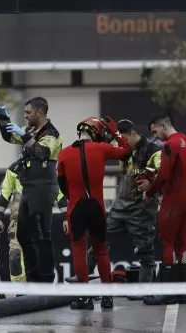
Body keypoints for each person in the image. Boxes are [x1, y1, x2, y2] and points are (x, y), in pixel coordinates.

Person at [64, 120, 161, 300]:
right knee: (99, 243)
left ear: (133, 134)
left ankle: (145, 290)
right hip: (120, 206)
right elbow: (108, 151)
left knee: (145, 251)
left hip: (142, 209)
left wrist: (152, 186)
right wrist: (111, 136)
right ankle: (82, 278)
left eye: (124, 139)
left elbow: (163, 175)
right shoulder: (125, 151)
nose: (121, 143)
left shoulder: (153, 151)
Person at [57, 116, 131, 310]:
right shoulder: (101, 149)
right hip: (97, 207)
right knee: (101, 251)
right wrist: (115, 132)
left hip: (76, 207)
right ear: (96, 133)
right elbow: (127, 151)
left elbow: (62, 185)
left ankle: (84, 299)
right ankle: (107, 298)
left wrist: (72, 200)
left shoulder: (64, 154)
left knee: (79, 253)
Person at [0, 97, 63, 283]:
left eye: (28, 113)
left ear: (40, 113)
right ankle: (33, 277)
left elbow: (41, 152)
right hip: (28, 188)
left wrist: (24, 136)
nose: (25, 117)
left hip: (43, 188)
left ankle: (46, 279)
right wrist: (3, 120)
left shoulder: (51, 134)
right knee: (22, 235)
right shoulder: (30, 130)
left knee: (42, 236)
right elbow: (8, 136)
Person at [139, 112, 186, 306]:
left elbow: (163, 175)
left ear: (162, 125)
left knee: (168, 243)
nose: (155, 136)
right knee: (184, 244)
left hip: (173, 200)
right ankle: (182, 293)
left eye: (155, 131)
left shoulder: (169, 145)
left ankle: (168, 293)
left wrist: (149, 191)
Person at [0, 161, 68, 283]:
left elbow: (59, 193)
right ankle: (20, 289)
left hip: (39, 212)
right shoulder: (14, 167)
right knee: (16, 253)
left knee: (41, 249)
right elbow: (5, 192)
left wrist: (66, 216)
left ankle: (44, 284)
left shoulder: (47, 168)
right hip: (19, 212)